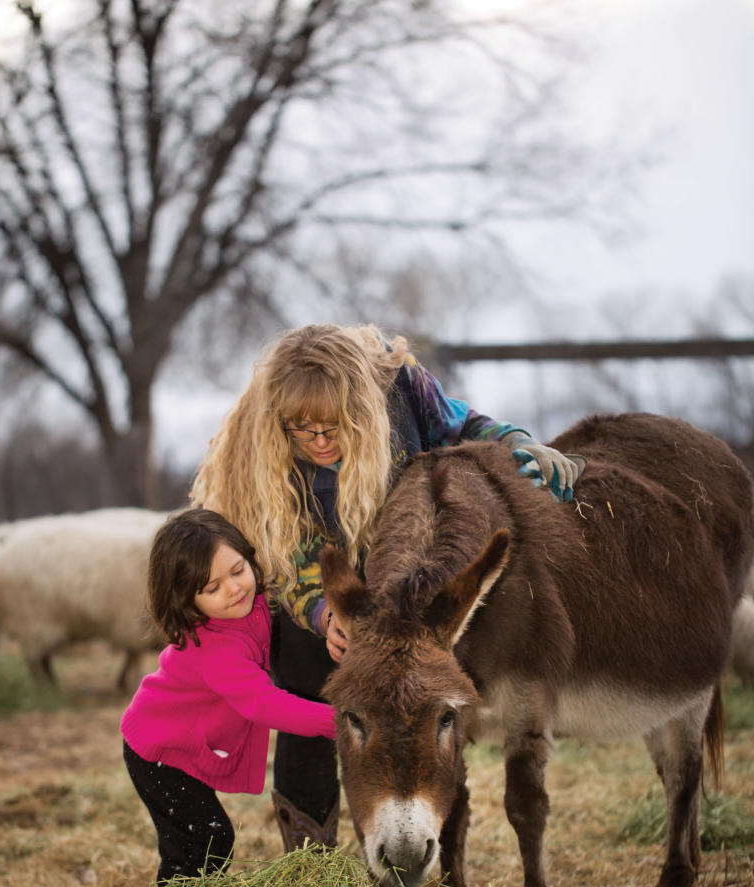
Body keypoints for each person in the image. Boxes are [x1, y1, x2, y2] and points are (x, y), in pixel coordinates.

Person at [190, 323, 583, 852]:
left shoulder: (399, 387)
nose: (321, 442)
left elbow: (460, 425)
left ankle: (411, 839)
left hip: (400, 577)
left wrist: (516, 442)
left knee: (406, 704)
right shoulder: (264, 453)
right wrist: (324, 616)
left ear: (364, 407)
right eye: (302, 430)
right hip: (319, 583)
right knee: (306, 690)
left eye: (335, 426)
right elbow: (289, 548)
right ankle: (311, 865)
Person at [121, 507, 336, 886]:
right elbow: (263, 703)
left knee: (203, 838)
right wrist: (337, 721)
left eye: (237, 571)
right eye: (212, 588)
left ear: (247, 556)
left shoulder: (251, 602)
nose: (234, 589)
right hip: (157, 752)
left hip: (181, 738)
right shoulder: (216, 648)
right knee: (204, 839)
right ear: (187, 601)